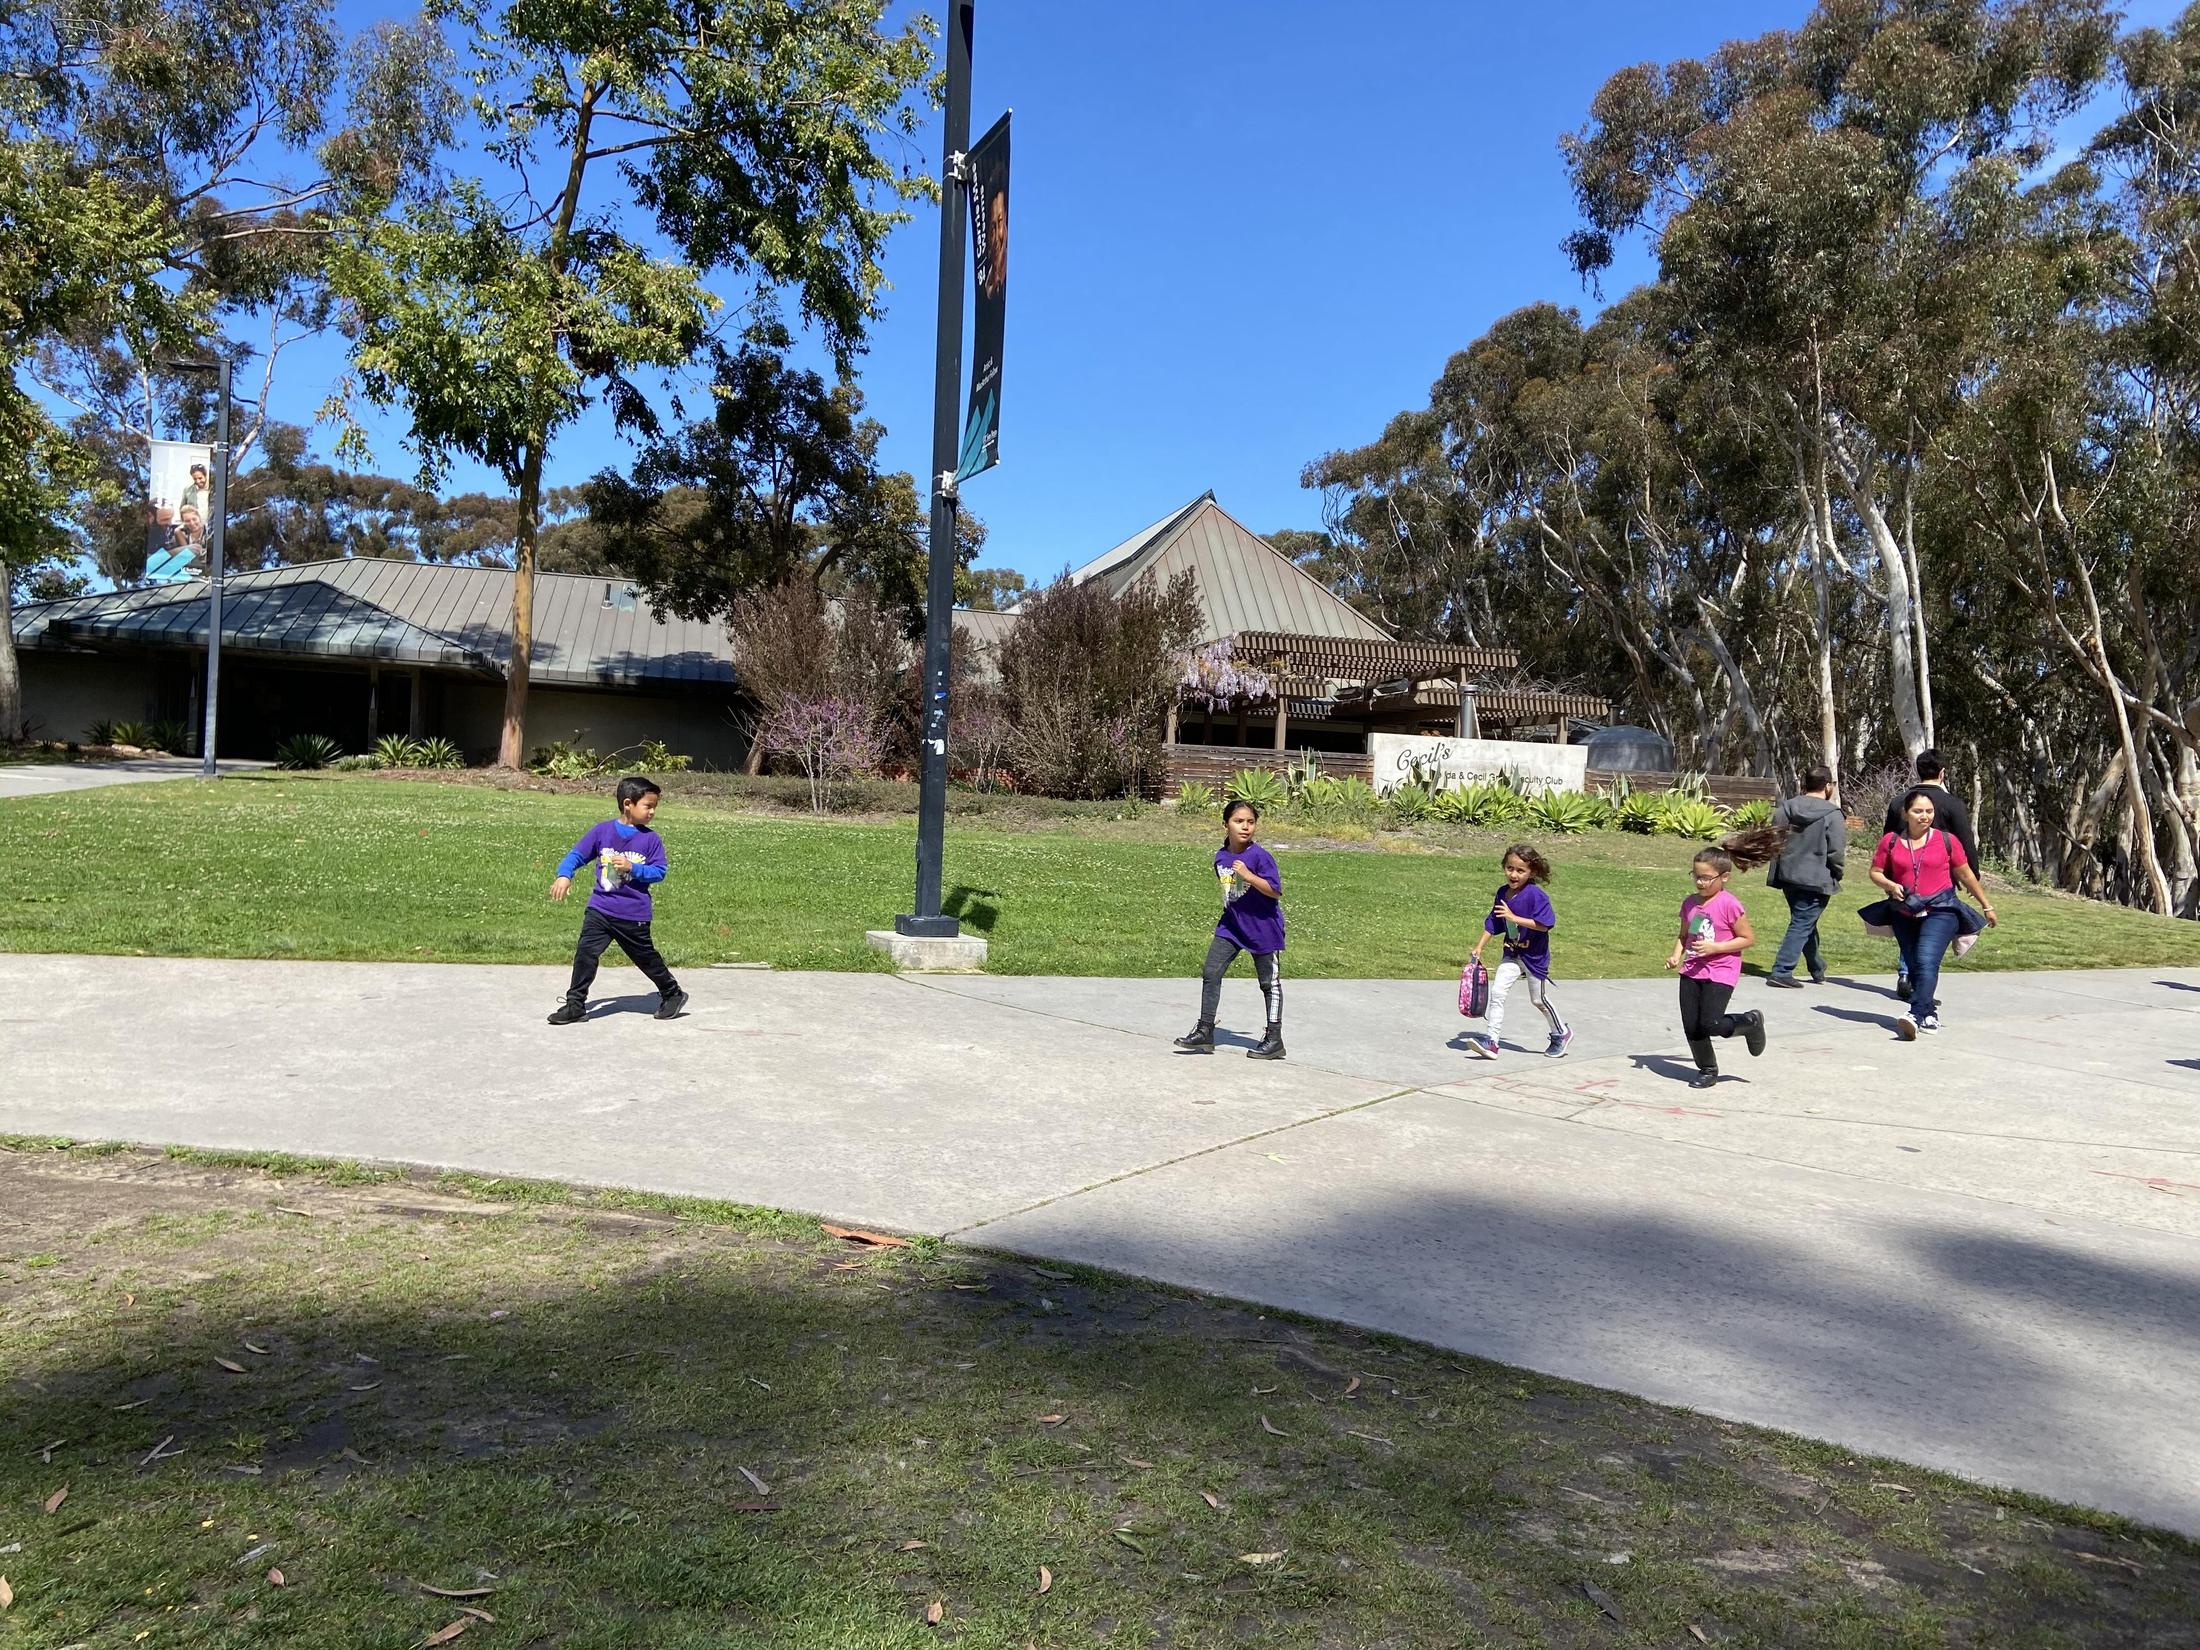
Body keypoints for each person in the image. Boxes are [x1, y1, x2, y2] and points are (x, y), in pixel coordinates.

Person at [547, 775, 687, 1025]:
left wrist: (633, 867)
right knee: (585, 954)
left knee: (645, 958)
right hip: (600, 909)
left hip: (633, 914)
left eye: (655, 806)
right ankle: (575, 1005)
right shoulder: (603, 831)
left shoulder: (651, 840)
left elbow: (659, 872)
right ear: (628, 804)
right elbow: (576, 855)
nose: (652, 812)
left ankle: (672, 993)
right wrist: (564, 875)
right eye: (648, 806)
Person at [1868, 787, 1997, 1040]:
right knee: (1915, 965)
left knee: (1927, 960)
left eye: (1929, 811)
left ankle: (1915, 1013)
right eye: (1918, 811)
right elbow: (1875, 872)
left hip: (1942, 910)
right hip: (1904, 911)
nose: (1924, 816)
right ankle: (1929, 1014)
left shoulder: (1947, 840)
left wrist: (1986, 905)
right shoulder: (1891, 841)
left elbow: (1966, 874)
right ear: (1906, 814)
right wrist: (1891, 886)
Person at [1176, 798, 1286, 1060]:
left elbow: (1274, 891)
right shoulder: (1221, 857)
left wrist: (1249, 876)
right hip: (1232, 926)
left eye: (1250, 822)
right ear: (1225, 824)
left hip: (1262, 929)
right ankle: (1205, 1030)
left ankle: (1274, 1038)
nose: (1245, 827)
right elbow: (1234, 890)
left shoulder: (1260, 856)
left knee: (1268, 983)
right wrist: (1239, 886)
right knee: (1211, 972)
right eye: (1239, 821)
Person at [1665, 848, 1767, 1089]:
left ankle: (1750, 1022)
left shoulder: (1729, 904)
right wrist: (1676, 955)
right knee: (1692, 1025)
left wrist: (1715, 948)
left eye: (1706, 878)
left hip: (1722, 970)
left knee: (1711, 1023)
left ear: (1725, 877)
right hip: (1692, 970)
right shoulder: (1690, 904)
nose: (1700, 882)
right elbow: (1686, 935)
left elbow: (1747, 938)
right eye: (1696, 876)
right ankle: (1707, 1069)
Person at [1881, 750, 1977, 1000]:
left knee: (1909, 923)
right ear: (1942, 773)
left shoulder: (1899, 802)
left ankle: (1907, 974)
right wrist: (1972, 875)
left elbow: (1887, 838)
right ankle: (1920, 984)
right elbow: (1965, 840)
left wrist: (1888, 880)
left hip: (1901, 878)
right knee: (1931, 931)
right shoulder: (1952, 804)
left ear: (1917, 771)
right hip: (1940, 881)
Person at [1465, 842, 1572, 1060]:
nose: (1513, 874)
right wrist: (1479, 946)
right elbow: (1493, 921)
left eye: (1520, 870)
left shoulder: (1536, 895)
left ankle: (1561, 1033)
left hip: (1534, 956)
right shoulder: (1502, 893)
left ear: (1532, 872)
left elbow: (1544, 925)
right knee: (1497, 993)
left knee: (1538, 1000)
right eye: (1509, 868)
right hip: (1512, 952)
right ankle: (1492, 1042)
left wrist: (1514, 918)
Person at [1765, 765, 1847, 988]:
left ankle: (1817, 967)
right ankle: (1782, 971)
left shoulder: (1785, 808)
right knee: (1802, 922)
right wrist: (1837, 872)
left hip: (1788, 875)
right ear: (1828, 786)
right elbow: (1836, 851)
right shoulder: (1833, 814)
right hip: (1817, 878)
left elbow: (1774, 839)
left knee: (1804, 921)